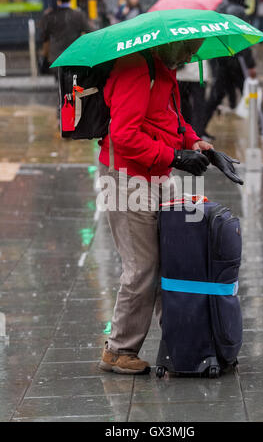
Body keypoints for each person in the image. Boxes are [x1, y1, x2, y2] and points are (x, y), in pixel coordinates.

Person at [98, 39, 215, 375]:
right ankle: (118, 349)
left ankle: (180, 344)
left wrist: (194, 142)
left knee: (172, 261)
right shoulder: (136, 69)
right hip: (127, 178)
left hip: (157, 176)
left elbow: (170, 120)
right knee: (142, 268)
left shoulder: (163, 69)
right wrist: (175, 156)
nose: (192, 56)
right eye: (188, 48)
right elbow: (123, 135)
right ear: (170, 43)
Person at [199, 0, 263, 140]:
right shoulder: (239, 11)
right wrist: (251, 64)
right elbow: (243, 41)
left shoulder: (221, 8)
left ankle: (199, 129)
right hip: (237, 60)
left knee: (215, 97)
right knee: (252, 92)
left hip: (222, 59)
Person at [39, 0, 94, 68]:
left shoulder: (50, 16)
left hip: (56, 58)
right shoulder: (78, 15)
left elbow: (44, 36)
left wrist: (45, 16)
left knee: (59, 78)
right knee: (74, 78)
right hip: (74, 56)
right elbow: (90, 32)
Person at [177, 60, 212, 140]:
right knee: (193, 106)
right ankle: (193, 133)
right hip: (189, 75)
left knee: (192, 106)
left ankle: (192, 133)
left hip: (195, 76)